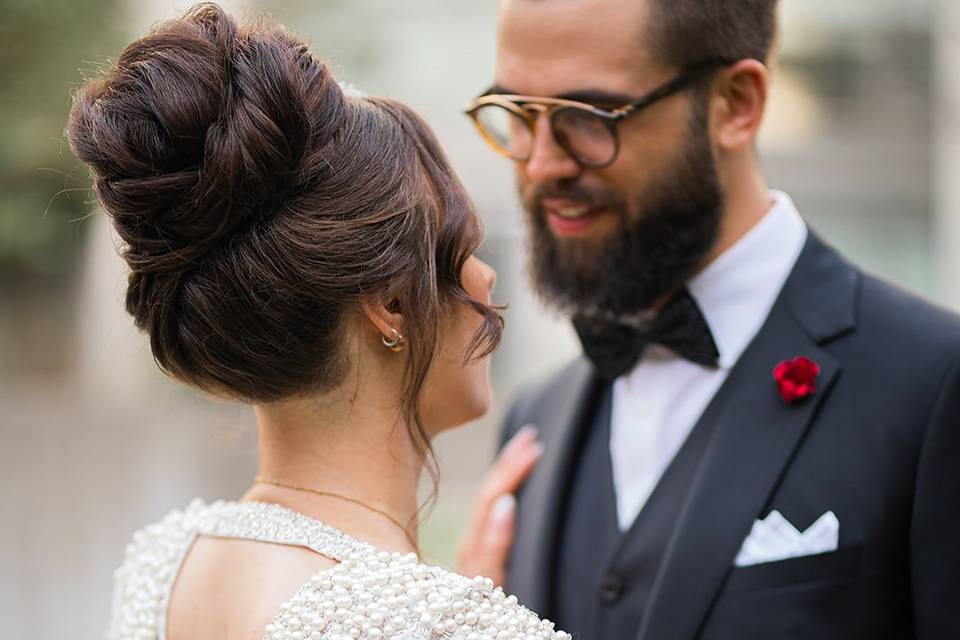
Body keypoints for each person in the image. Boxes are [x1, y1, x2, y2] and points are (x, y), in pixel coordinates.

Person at [457, 1, 960, 638]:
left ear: (736, 103)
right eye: (520, 115)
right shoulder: (537, 418)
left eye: (587, 118)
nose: (540, 165)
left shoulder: (936, 385)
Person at [67, 4, 571, 640]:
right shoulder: (437, 624)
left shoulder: (166, 565)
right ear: (391, 304)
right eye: (465, 246)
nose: (487, 277)